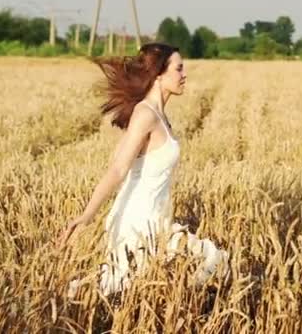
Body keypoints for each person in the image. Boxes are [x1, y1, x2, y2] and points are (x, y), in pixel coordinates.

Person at [57, 43, 228, 297]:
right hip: (138, 222)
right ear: (159, 73)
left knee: (130, 290)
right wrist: (87, 216)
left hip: (156, 220)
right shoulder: (145, 114)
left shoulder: (159, 115)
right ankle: (60, 303)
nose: (184, 75)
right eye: (178, 69)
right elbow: (117, 168)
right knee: (117, 289)